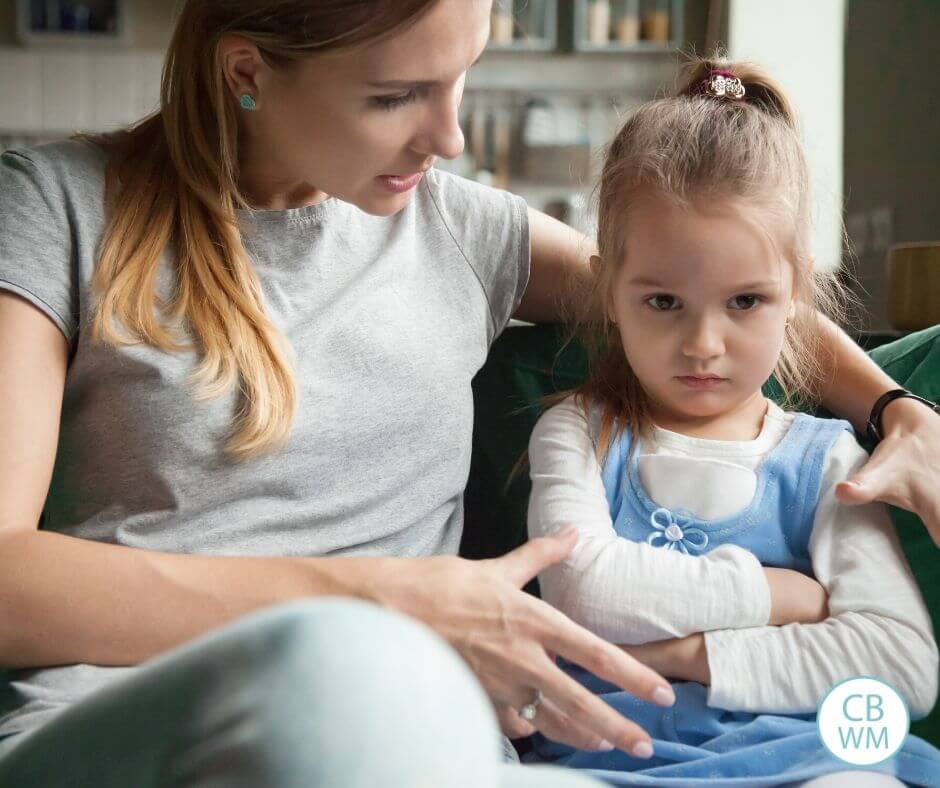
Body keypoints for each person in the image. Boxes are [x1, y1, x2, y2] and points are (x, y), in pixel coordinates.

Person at [0, 0, 937, 782]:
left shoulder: (460, 230)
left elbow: (722, 287)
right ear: (247, 71)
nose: (448, 136)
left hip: (430, 742)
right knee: (333, 668)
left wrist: (893, 408)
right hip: (131, 725)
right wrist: (385, 602)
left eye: (460, 79)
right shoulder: (54, 209)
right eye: (395, 94)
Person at [523, 58, 940, 787]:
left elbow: (900, 666)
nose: (703, 344)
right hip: (600, 754)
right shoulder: (578, 433)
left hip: (804, 759)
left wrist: (686, 656)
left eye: (745, 302)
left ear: (796, 294)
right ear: (610, 292)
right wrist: (782, 599)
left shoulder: (831, 462)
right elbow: (585, 591)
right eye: (662, 302)